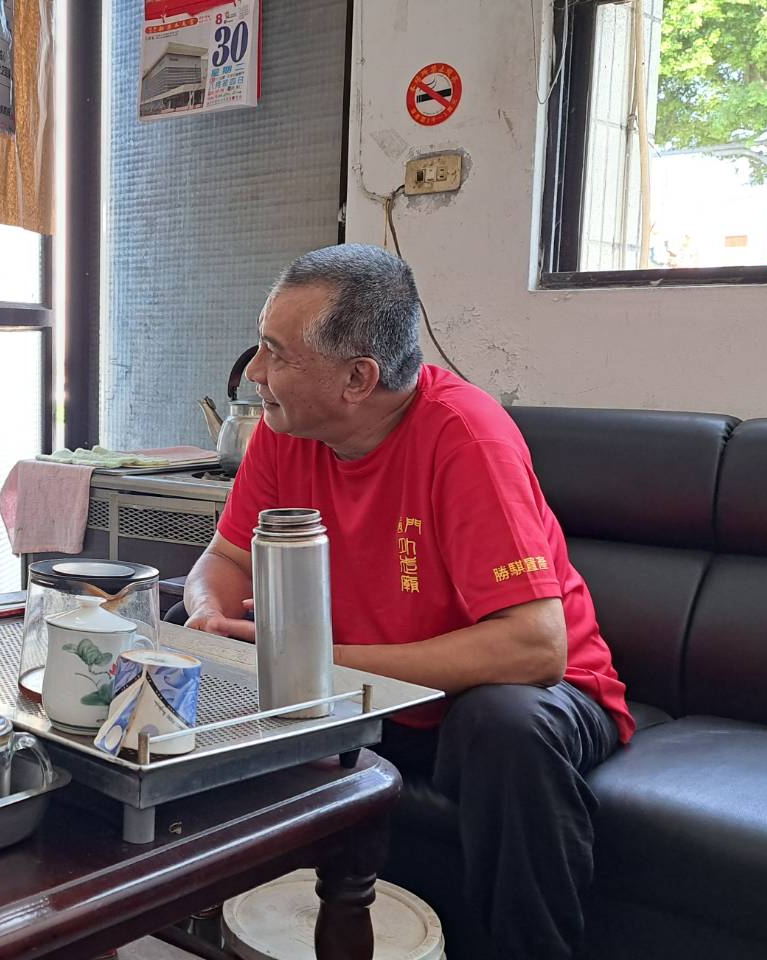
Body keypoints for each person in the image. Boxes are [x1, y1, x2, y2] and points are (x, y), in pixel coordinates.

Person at [180, 243, 633, 959]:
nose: (256, 375)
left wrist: (317, 662)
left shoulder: (464, 437)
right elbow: (228, 558)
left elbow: (534, 648)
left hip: (531, 697)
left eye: (275, 353)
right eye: (257, 347)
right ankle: (205, 916)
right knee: (193, 655)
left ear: (358, 377)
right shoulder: (282, 430)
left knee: (503, 724)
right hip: (371, 692)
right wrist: (206, 614)